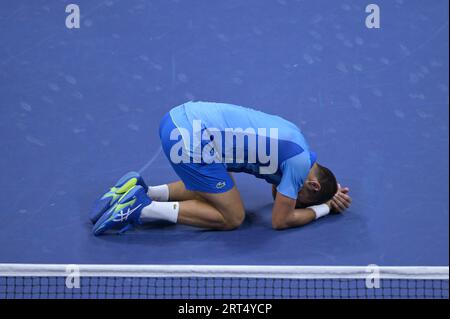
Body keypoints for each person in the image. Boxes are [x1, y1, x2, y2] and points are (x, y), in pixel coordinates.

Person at [91, 101, 352, 235]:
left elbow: (281, 195)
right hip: (189, 137)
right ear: (313, 184)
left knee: (217, 188)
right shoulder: (297, 166)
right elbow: (280, 219)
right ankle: (143, 208)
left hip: (179, 117)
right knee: (233, 217)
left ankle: (143, 190)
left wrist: (331, 189)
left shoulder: (298, 146)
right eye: (301, 197)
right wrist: (324, 207)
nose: (293, 200)